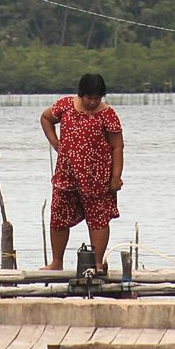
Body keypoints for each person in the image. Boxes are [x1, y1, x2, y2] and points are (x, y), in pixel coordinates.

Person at [40, 73, 123, 273]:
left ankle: (97, 264)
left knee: (98, 219)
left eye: (97, 98)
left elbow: (117, 147)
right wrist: (56, 143)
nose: (93, 102)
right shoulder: (66, 106)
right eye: (89, 98)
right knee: (58, 216)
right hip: (66, 175)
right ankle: (56, 262)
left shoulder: (107, 114)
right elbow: (45, 118)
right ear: (81, 94)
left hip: (97, 177)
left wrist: (115, 177)